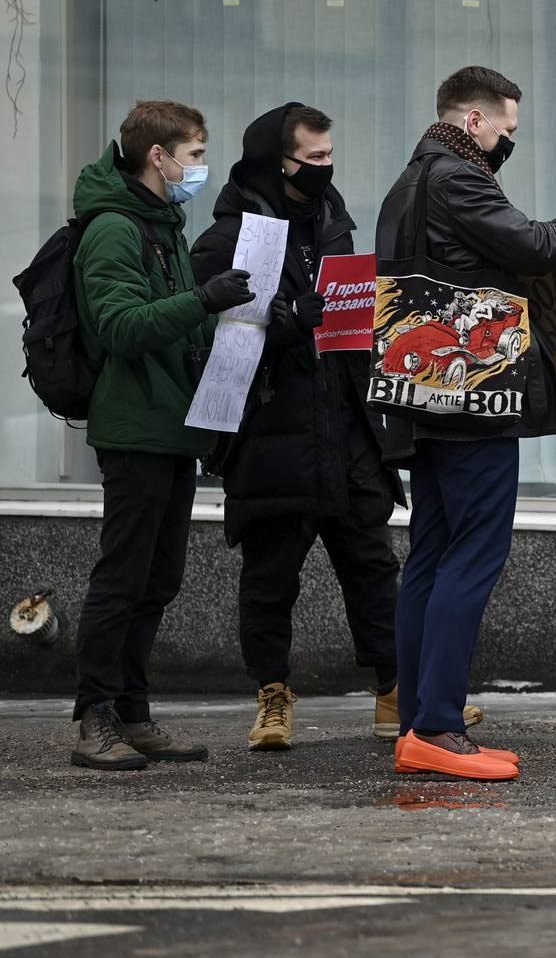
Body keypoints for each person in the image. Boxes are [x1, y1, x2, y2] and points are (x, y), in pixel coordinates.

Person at [377, 67, 556, 782]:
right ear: (473, 119)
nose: (510, 137)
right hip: (472, 395)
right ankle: (439, 726)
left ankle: (420, 719)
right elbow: (537, 244)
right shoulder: (457, 176)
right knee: (471, 556)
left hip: (426, 393)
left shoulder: (408, 180)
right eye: (505, 126)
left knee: (431, 554)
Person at [191, 103, 417, 750]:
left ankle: (394, 691)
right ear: (277, 161)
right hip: (272, 437)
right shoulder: (230, 238)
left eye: (329, 154)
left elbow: (348, 330)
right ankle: (272, 698)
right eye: (314, 157)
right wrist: (287, 319)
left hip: (344, 432)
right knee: (269, 578)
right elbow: (203, 342)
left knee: (373, 569)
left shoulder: (332, 222)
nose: (327, 166)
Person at [67, 100, 244, 770]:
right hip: (135, 425)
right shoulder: (115, 228)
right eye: (194, 155)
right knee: (122, 576)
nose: (200, 167)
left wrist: (249, 319)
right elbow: (120, 327)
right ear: (158, 157)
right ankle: (95, 716)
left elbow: (180, 330)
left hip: (172, 426)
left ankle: (134, 711)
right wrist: (203, 299)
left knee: (158, 577)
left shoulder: (161, 223)